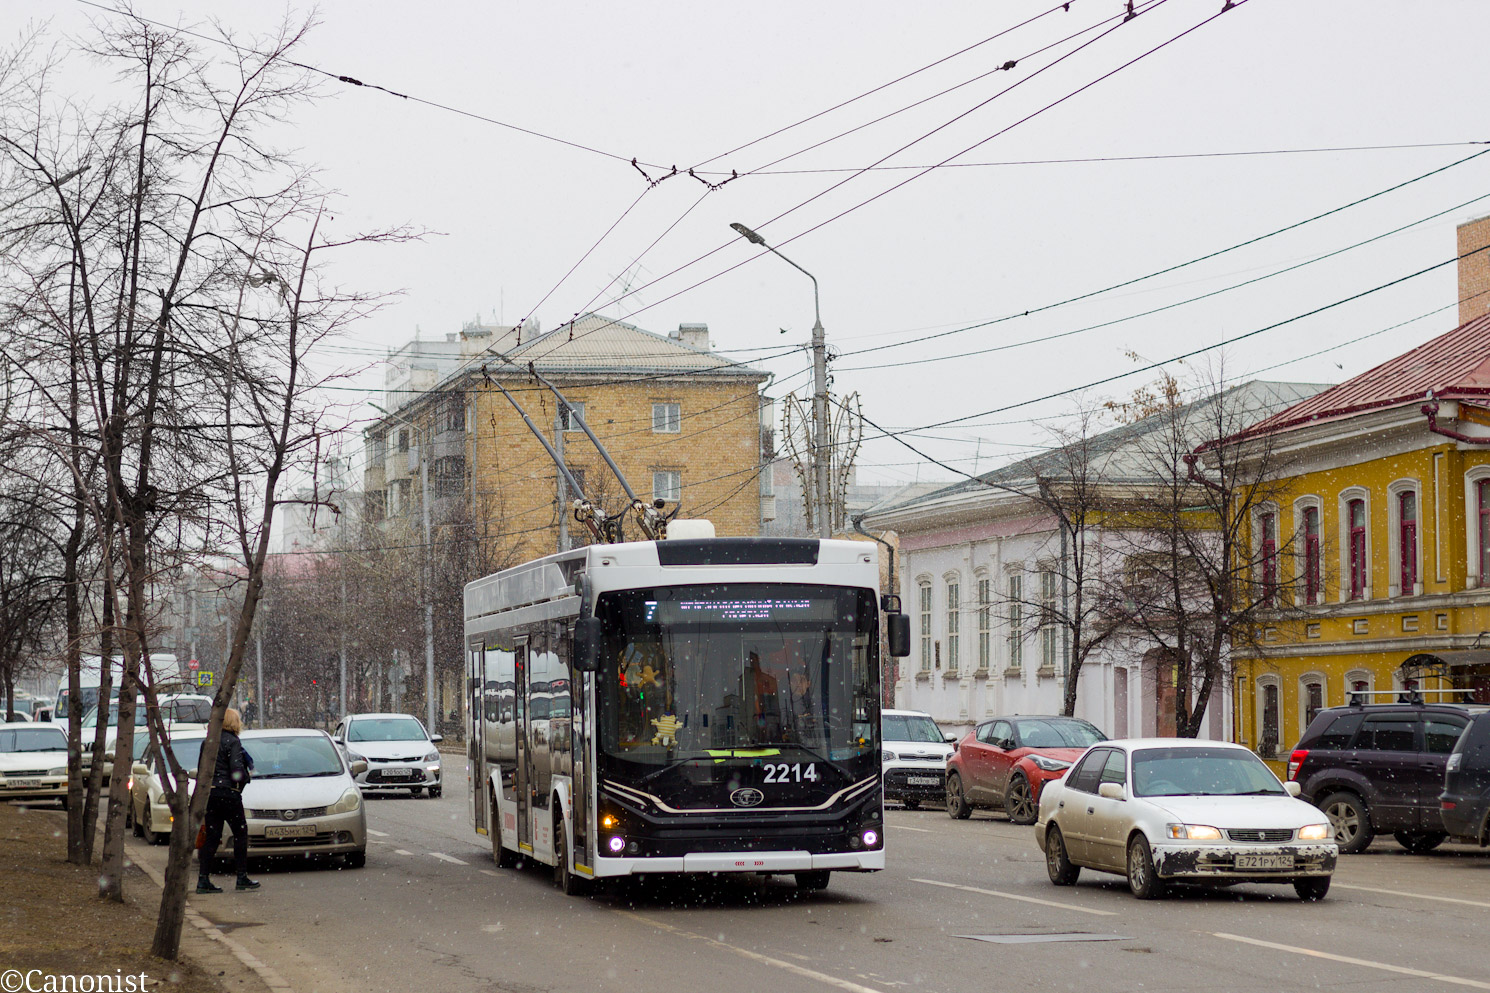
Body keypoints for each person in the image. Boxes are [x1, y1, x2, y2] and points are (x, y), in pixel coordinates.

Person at [197, 708, 259, 893]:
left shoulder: (207, 742)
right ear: (234, 722)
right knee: (240, 834)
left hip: (211, 795)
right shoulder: (233, 742)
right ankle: (241, 877)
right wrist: (244, 779)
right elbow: (236, 771)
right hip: (229, 794)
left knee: (213, 837)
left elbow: (202, 768)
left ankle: (203, 879)